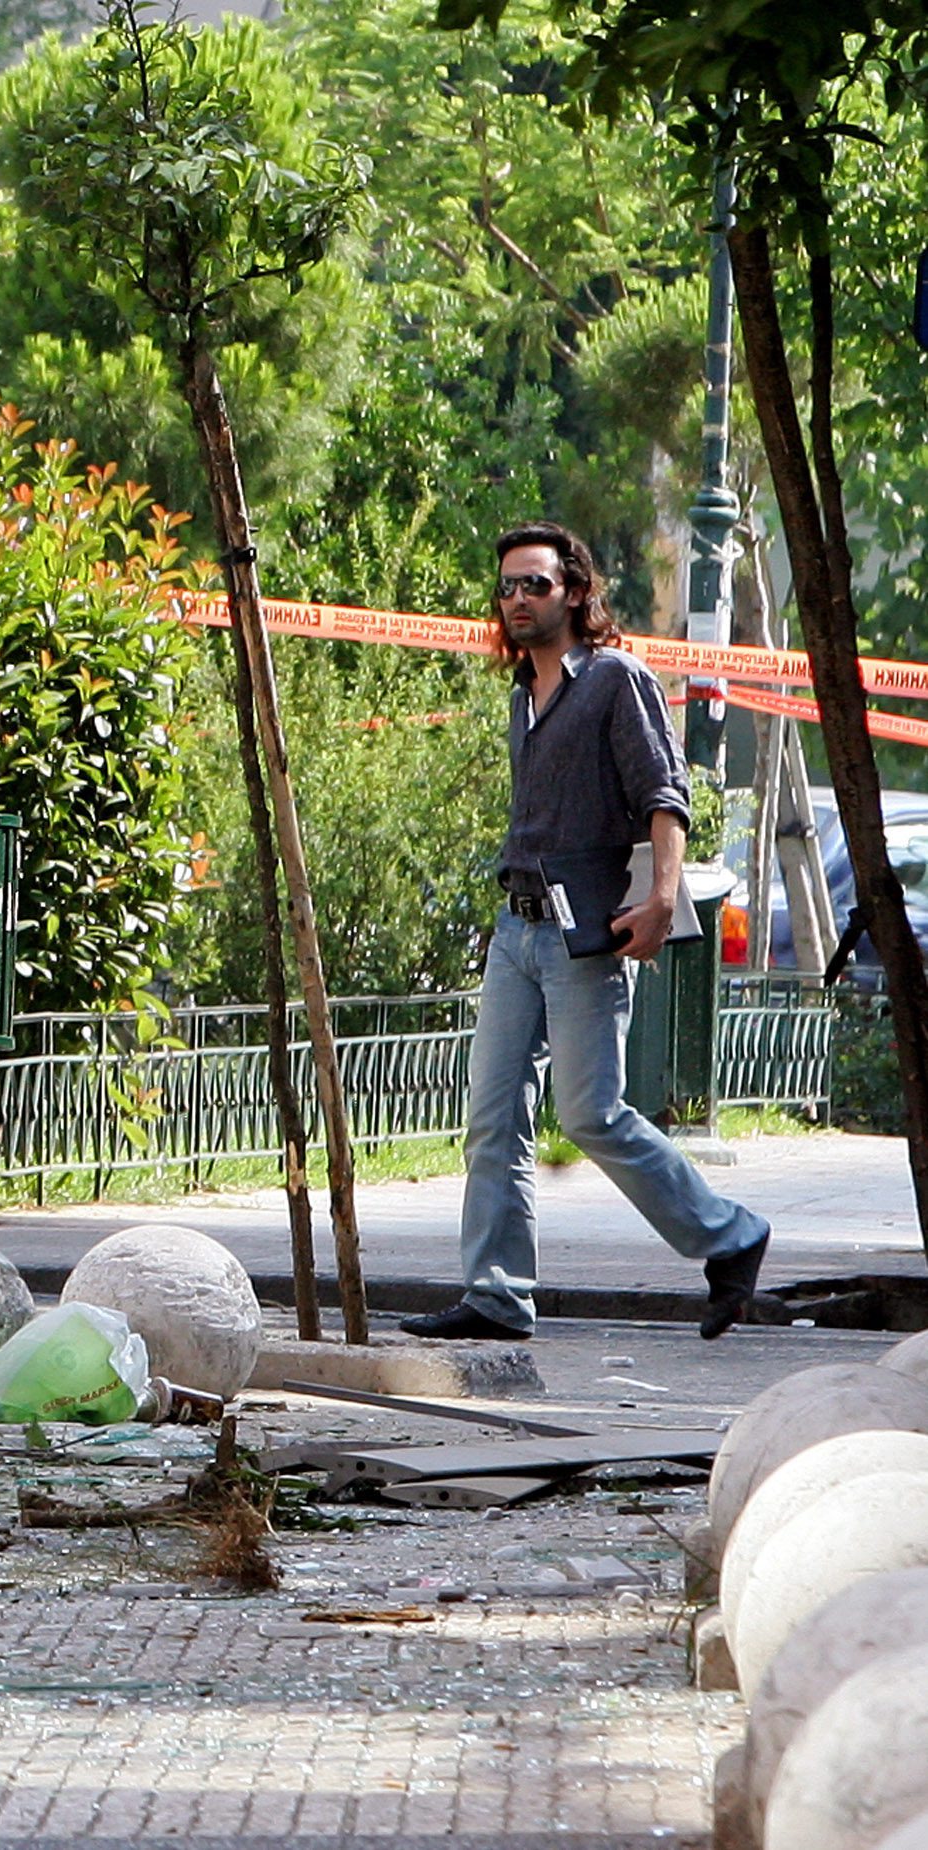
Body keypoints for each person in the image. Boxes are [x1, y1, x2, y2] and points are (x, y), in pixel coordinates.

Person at [402, 521, 771, 1343]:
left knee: (592, 1114)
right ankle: (496, 1296)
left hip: (587, 937)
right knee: (493, 1117)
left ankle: (730, 1236)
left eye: (534, 584)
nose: (517, 600)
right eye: (506, 587)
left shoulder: (613, 680)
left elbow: (664, 796)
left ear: (573, 590)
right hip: (516, 929)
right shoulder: (520, 695)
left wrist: (661, 900)